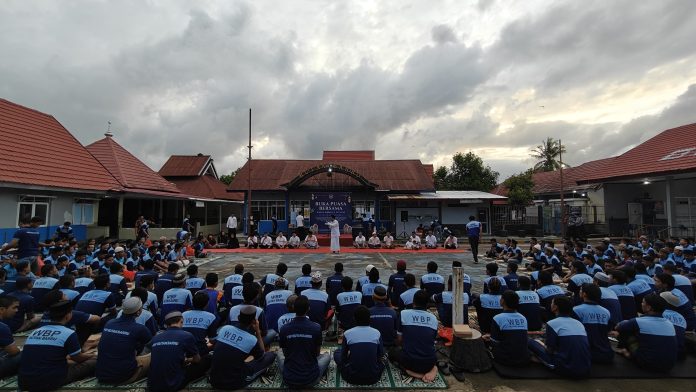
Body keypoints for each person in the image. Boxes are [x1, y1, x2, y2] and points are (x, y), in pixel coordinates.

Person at [18, 300, 97, 391]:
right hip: (50, 380)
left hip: (24, 381)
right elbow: (78, 358)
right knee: (94, 361)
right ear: (68, 315)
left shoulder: (35, 332)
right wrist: (92, 355)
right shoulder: (69, 333)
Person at [210, 305, 277, 389]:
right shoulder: (252, 339)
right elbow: (261, 355)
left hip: (213, 380)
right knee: (271, 355)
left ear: (238, 318)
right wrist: (257, 331)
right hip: (234, 383)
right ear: (254, 321)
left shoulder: (224, 329)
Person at [528, 296, 592, 378]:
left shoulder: (552, 323)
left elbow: (549, 351)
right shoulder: (579, 323)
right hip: (586, 368)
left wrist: (541, 344)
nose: (551, 304)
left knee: (530, 342)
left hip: (565, 368)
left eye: (552, 303)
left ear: (555, 307)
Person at [614, 293, 677, 372]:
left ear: (649, 307)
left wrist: (625, 322)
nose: (641, 304)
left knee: (626, 332)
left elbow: (618, 328)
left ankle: (627, 353)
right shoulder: (670, 323)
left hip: (647, 364)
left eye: (643, 302)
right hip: (668, 366)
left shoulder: (638, 321)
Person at [96, 297, 153, 385]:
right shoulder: (140, 329)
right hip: (123, 376)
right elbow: (152, 343)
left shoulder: (109, 323)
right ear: (138, 312)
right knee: (155, 354)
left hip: (101, 375)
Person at [278, 295, 330, 388]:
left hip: (289, 379)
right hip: (311, 379)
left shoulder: (284, 329)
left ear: (294, 308)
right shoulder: (316, 327)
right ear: (308, 308)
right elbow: (317, 354)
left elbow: (285, 353)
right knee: (327, 356)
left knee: (279, 353)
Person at [148, 311, 206, 392]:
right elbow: (197, 359)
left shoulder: (156, 337)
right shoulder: (187, 335)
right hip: (173, 384)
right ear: (181, 321)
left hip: (152, 384)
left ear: (166, 325)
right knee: (207, 360)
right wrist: (187, 360)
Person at [389, 290, 438, 383]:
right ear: (427, 304)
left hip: (409, 362)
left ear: (413, 302)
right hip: (429, 362)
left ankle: (413, 373)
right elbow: (432, 341)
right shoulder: (433, 318)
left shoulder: (404, 313)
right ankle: (433, 368)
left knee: (392, 353)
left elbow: (399, 340)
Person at [334, 305, 385, 385]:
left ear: (354, 319)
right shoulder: (376, 333)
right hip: (373, 377)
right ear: (369, 318)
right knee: (384, 359)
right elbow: (381, 354)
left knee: (337, 353)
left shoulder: (348, 333)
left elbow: (343, 357)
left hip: (351, 377)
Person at [483, 290, 530, 366]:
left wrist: (488, 339)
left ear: (503, 301)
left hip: (504, 359)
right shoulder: (523, 318)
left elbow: (495, 343)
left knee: (483, 342)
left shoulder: (497, 318)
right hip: (523, 359)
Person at [573, 284, 614, 363]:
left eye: (581, 290)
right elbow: (608, 330)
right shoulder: (606, 312)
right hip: (607, 354)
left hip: (587, 353)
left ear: (584, 294)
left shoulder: (576, 310)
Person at [182, 291, 219, 358]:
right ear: (207, 304)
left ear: (193, 302)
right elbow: (212, 340)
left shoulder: (183, 314)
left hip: (183, 350)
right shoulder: (211, 317)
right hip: (200, 351)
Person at [0, 297, 22, 378]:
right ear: (2, 309)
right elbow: (14, 352)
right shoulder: (3, 327)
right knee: (27, 353)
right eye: (14, 307)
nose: (16, 310)